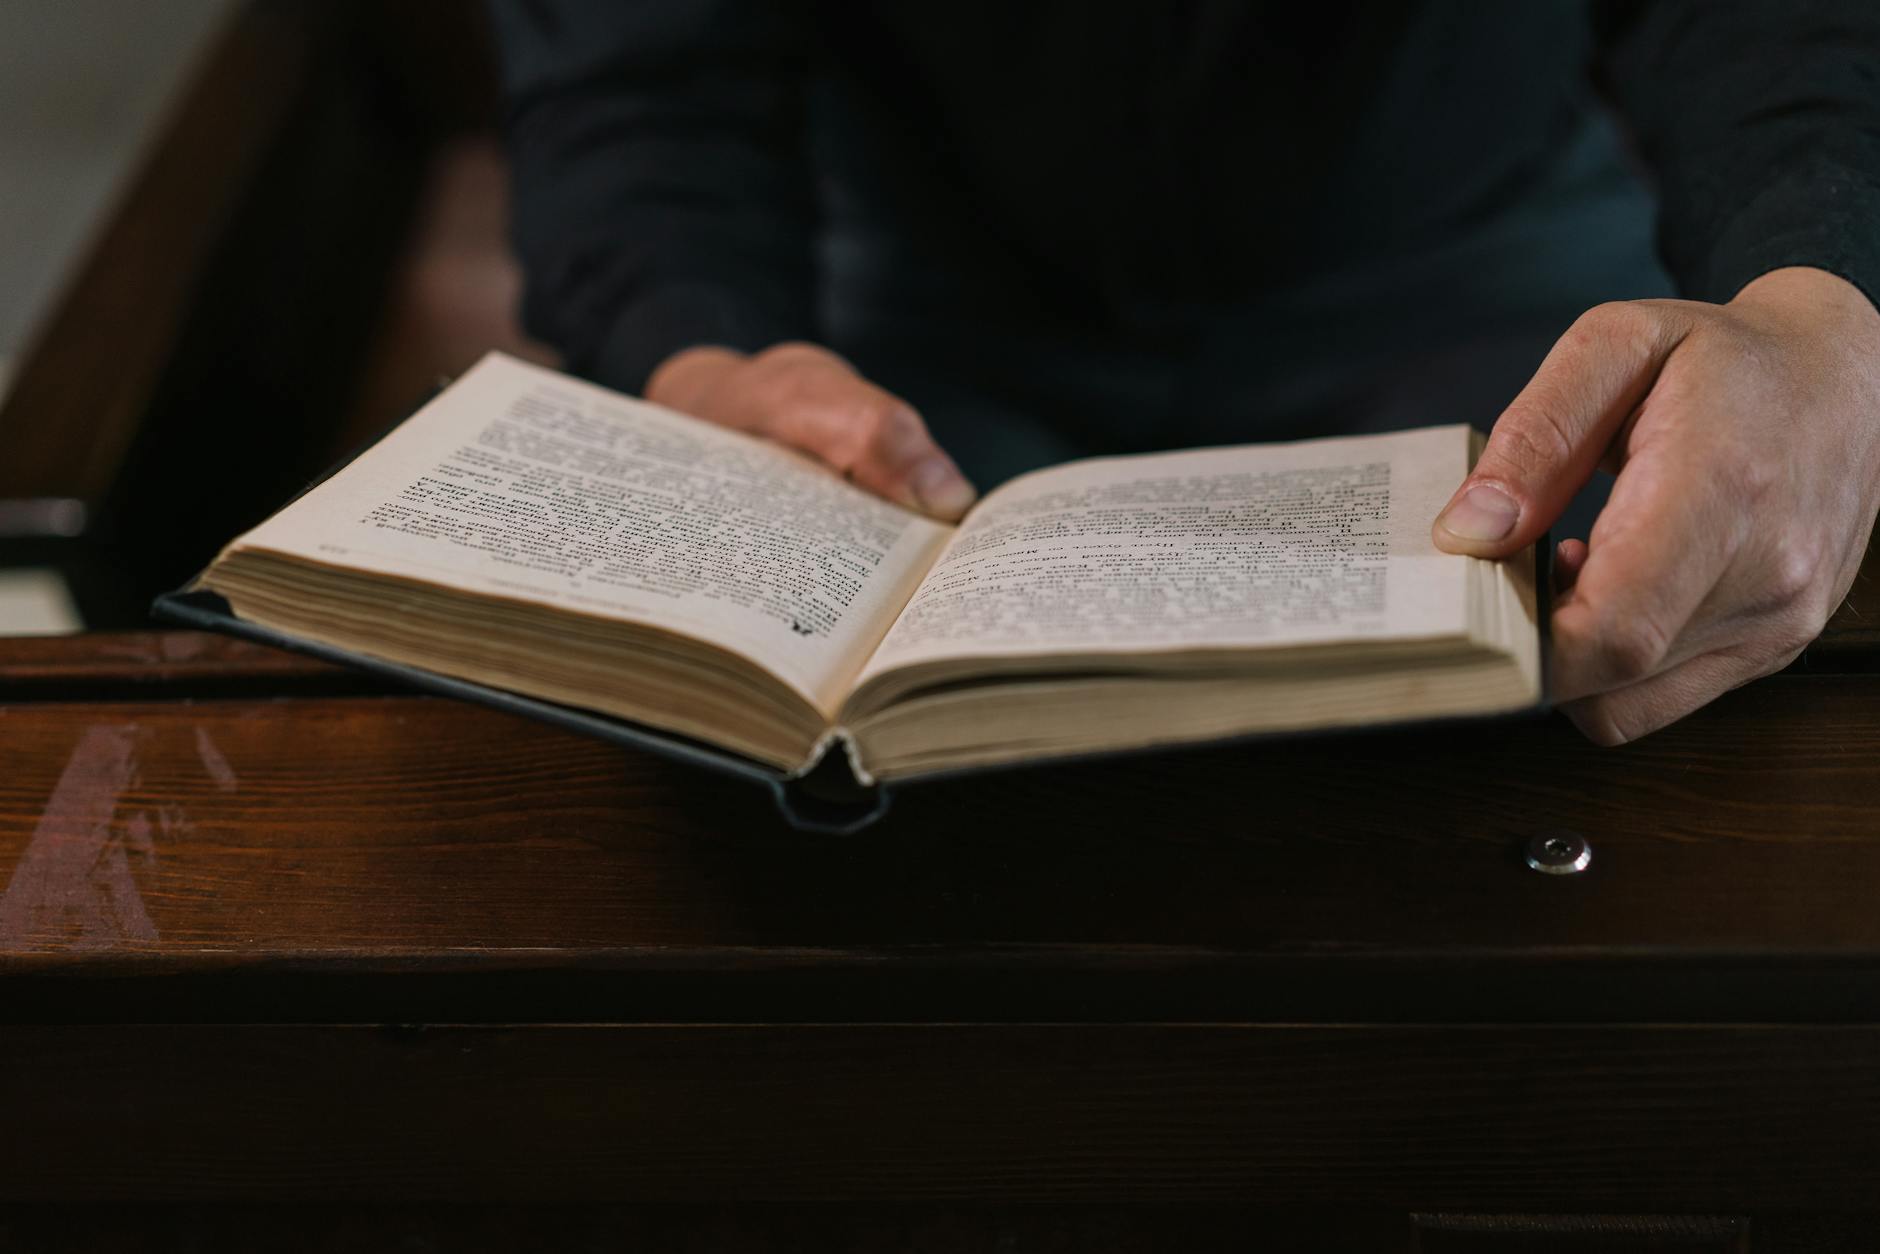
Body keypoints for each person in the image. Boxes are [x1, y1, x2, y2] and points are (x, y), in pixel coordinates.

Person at [488, 2, 1880, 745]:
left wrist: (1816, 287)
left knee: (1634, 684)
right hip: (909, 317)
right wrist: (696, 346)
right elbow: (643, 76)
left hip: (1470, 244)